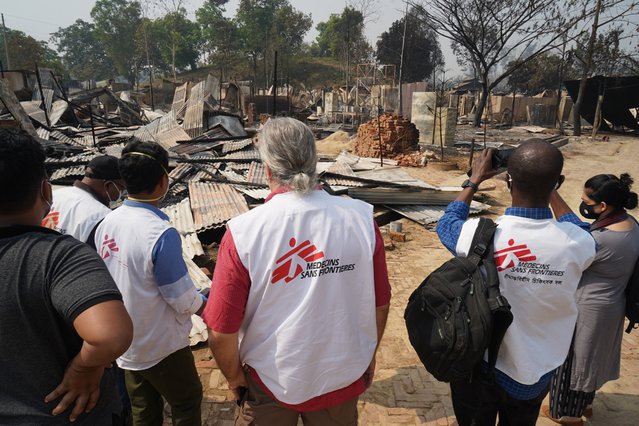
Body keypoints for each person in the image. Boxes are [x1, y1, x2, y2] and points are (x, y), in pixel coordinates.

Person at [203, 117, 391, 425]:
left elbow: (221, 332)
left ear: (266, 168)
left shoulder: (244, 233)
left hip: (270, 382)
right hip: (341, 377)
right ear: (315, 161)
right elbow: (380, 303)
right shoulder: (361, 219)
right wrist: (368, 354)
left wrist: (235, 377)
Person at [435, 139, 596, 426]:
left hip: (479, 365)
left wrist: (474, 180)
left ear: (508, 181)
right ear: (558, 182)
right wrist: (549, 189)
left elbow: (447, 223)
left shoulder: (478, 234)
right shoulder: (578, 242)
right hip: (536, 372)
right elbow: (581, 226)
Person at [0, 128, 133, 425]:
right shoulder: (59, 255)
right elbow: (110, 335)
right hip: (66, 412)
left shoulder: (70, 201)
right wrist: (84, 368)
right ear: (46, 190)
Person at [95, 140, 206, 426]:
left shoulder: (108, 222)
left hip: (126, 342)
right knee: (186, 400)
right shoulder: (160, 233)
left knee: (144, 409)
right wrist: (204, 301)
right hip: (161, 345)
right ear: (163, 181)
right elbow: (182, 300)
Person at [543, 173, 639, 425]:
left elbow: (571, 241)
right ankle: (584, 405)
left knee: (572, 363)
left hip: (586, 310)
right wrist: (552, 192)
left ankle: (566, 414)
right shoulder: (629, 224)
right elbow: (578, 226)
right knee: (591, 358)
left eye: (586, 199)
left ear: (603, 206)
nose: (583, 203)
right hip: (609, 306)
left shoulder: (601, 239)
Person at [42, 155, 125, 248]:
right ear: (108, 185)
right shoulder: (101, 216)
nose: (121, 193)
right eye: (122, 188)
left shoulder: (54, 195)